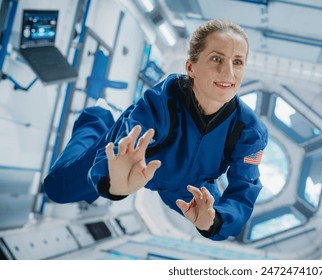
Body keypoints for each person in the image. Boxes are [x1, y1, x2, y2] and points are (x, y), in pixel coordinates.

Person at [43, 19, 268, 241]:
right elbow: (126, 143)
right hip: (136, 164)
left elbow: (243, 191)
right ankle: (96, 119)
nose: (228, 72)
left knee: (217, 230)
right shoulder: (162, 100)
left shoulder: (249, 131)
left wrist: (214, 221)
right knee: (57, 190)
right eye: (216, 58)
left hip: (190, 185)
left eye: (237, 62)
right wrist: (112, 184)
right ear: (191, 67)